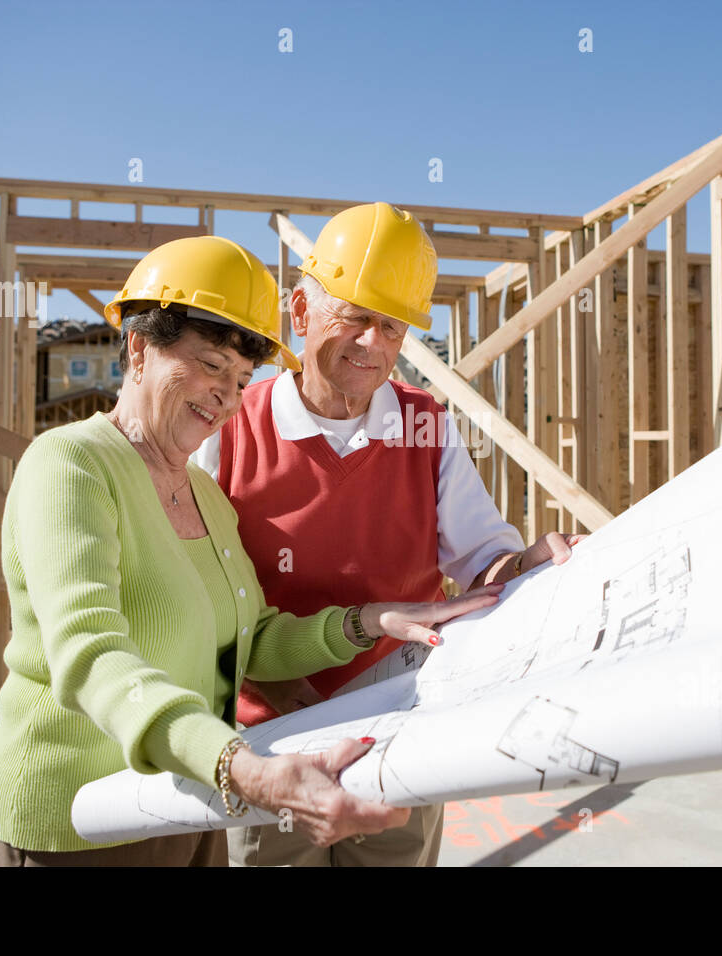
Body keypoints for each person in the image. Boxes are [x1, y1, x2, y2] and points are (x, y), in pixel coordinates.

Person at [0, 234, 501, 866]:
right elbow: (89, 654)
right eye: (212, 366)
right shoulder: (70, 464)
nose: (227, 394)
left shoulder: (200, 493)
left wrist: (367, 622)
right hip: (77, 822)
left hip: (188, 810)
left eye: (243, 377)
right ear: (139, 346)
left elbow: (251, 641)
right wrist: (242, 768)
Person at [193, 202, 581, 867]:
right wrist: (278, 699)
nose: (375, 345)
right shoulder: (231, 428)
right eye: (355, 318)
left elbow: (482, 558)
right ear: (301, 312)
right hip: (274, 741)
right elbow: (198, 594)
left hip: (401, 732)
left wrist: (524, 567)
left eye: (393, 327)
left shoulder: (426, 424)